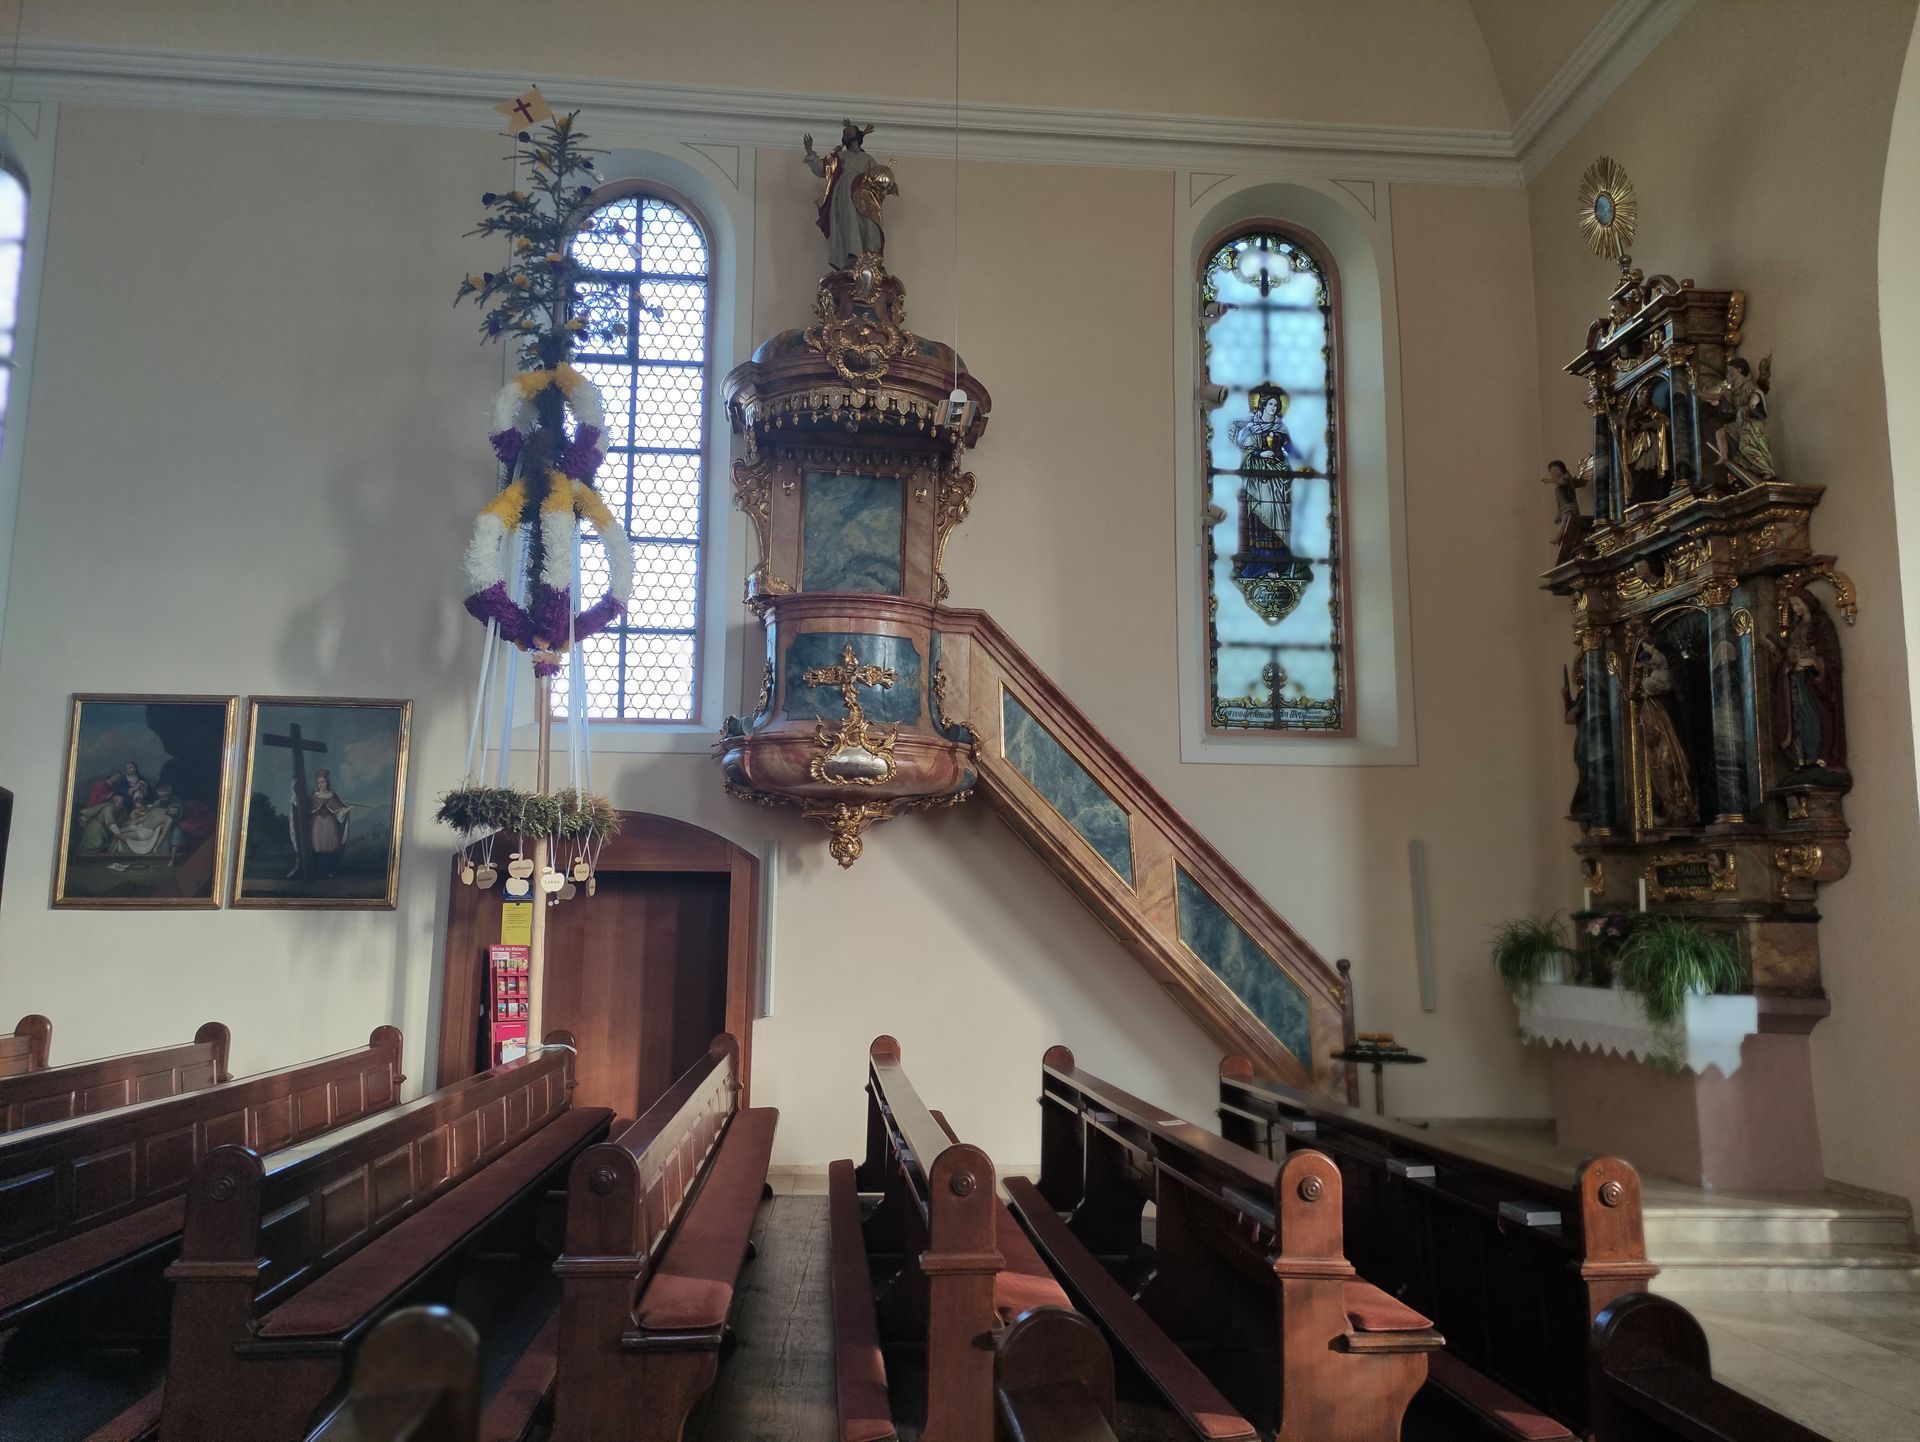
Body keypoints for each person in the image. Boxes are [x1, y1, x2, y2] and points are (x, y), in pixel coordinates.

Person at [802, 122, 894, 270]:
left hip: (865, 193)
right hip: (845, 192)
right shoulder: (841, 156)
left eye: (849, 133)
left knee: (870, 223)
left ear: (856, 138)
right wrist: (811, 153)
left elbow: (878, 179)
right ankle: (853, 255)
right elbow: (823, 169)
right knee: (849, 221)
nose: (846, 135)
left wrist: (885, 182)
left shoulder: (867, 159)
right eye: (845, 134)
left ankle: (871, 256)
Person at [292, 769, 355, 879]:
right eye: (318, 782)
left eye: (322, 782)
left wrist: (346, 809)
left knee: (329, 848)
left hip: (330, 824)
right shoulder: (314, 796)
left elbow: (339, 809)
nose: (320, 785)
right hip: (317, 824)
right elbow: (305, 806)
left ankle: (329, 871)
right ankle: (319, 871)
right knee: (318, 848)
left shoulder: (332, 795)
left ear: (327, 782)